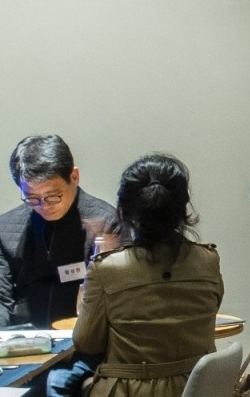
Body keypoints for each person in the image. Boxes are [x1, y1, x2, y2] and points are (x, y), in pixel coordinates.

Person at [0, 134, 126, 397]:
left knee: (53, 384)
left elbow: (116, 307)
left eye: (53, 196)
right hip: (22, 345)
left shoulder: (105, 224)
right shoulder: (5, 228)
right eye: (32, 198)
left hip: (82, 346)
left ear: (74, 176)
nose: (44, 207)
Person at [73, 153, 224, 397]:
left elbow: (87, 343)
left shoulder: (107, 269)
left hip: (130, 390)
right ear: (182, 206)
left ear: (124, 210)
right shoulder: (208, 260)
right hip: (199, 387)